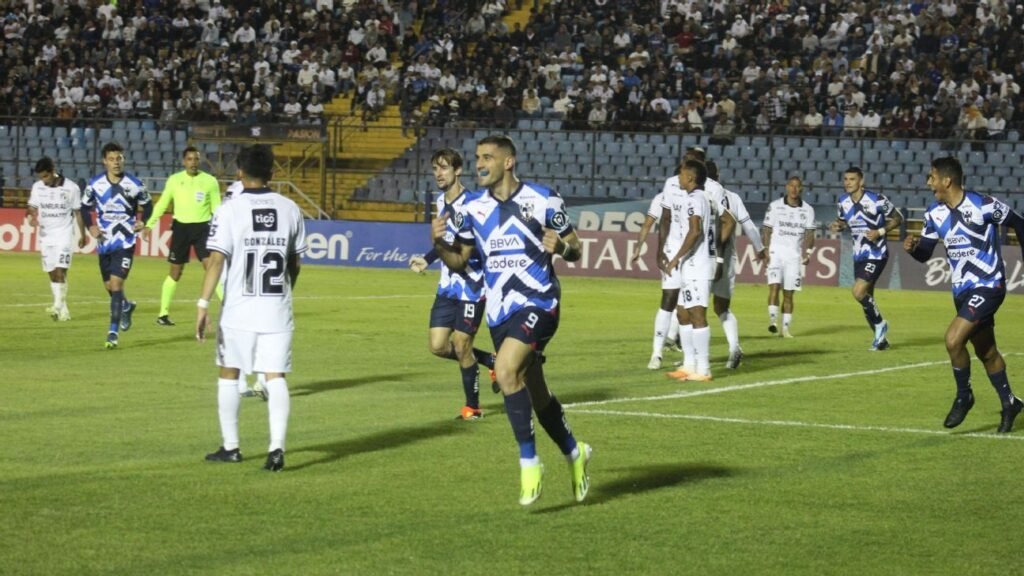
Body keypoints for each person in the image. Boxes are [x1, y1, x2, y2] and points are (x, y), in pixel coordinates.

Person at [430, 135, 592, 506]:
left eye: (487, 157)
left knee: (504, 372)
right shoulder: (471, 208)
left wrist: (562, 248)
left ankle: (529, 462)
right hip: (500, 313)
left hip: (540, 302)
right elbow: (461, 260)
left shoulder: (543, 199)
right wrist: (439, 244)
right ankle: (573, 451)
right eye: (476, 158)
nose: (479, 165)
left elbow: (576, 248)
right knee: (534, 390)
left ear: (508, 162)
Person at [196, 145, 307, 471]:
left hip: (239, 310)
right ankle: (276, 450)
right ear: (272, 172)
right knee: (275, 377)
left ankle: (231, 447)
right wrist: (285, 292)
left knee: (229, 372)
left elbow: (216, 260)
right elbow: (295, 262)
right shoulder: (290, 208)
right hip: (276, 308)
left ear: (239, 173)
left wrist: (202, 304)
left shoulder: (230, 209)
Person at [904, 157, 1024, 433]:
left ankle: (964, 396)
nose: (929, 182)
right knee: (987, 352)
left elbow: (1019, 222)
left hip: (989, 285)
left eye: (932, 176)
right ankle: (1010, 403)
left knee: (953, 339)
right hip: (961, 291)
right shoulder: (934, 213)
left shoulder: (983, 205)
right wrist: (913, 249)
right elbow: (925, 254)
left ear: (947, 180)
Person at [408, 149, 496, 419]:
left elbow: (467, 244)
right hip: (447, 286)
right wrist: (428, 259)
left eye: (444, 168)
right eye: (435, 168)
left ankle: (473, 407)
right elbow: (447, 242)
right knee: (437, 346)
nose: (439, 174)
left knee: (461, 344)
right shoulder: (439, 201)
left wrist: (432, 255)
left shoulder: (475, 203)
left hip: (472, 284)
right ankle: (490, 360)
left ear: (458, 171)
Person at [81, 142, 151, 349]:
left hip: (126, 240)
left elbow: (148, 205)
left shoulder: (135, 184)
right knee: (109, 287)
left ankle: (112, 332)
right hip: (104, 241)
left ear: (124, 159)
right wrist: (91, 227)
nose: (116, 162)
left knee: (117, 284)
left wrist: (143, 221)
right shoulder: (95, 184)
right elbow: (84, 208)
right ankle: (127, 306)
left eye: (119, 158)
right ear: (105, 161)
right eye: (111, 159)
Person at [144, 146, 222, 326]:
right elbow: (163, 203)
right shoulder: (174, 180)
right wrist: (149, 224)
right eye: (189, 159)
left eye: (196, 159)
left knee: (211, 267)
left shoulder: (210, 181)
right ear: (183, 161)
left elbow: (217, 209)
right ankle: (163, 314)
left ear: (199, 161)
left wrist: (220, 230)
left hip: (203, 228)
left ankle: (228, 309)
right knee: (175, 272)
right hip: (181, 229)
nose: (193, 163)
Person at [829, 167, 902, 351]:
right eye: (845, 179)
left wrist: (880, 231)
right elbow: (844, 221)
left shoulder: (877, 200)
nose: (847, 182)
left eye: (852, 179)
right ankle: (880, 340)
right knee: (868, 300)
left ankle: (880, 326)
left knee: (858, 292)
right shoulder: (842, 201)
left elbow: (898, 218)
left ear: (861, 182)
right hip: (858, 254)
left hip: (877, 253)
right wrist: (838, 226)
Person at [707, 161, 766, 367]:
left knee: (692, 306)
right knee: (721, 307)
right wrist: (760, 249)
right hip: (728, 257)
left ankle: (693, 357)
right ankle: (734, 348)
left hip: (705, 257)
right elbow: (749, 226)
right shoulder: (733, 197)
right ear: (719, 175)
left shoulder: (700, 193)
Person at [661, 159, 715, 382]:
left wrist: (676, 257)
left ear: (691, 178)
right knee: (682, 312)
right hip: (690, 265)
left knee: (697, 314)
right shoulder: (697, 198)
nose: (679, 178)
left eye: (682, 175)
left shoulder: (696, 199)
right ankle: (688, 364)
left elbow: (695, 232)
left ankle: (704, 368)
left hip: (697, 265)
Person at [27, 156, 86, 321]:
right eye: (41, 177)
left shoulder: (71, 188)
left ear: (53, 171)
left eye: (46, 176)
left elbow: (78, 212)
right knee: (52, 274)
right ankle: (64, 311)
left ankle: (57, 306)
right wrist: (31, 216)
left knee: (60, 271)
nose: (43, 180)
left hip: (64, 235)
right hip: (46, 236)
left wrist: (83, 234)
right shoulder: (38, 187)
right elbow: (32, 207)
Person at [762, 177, 816, 337]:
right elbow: (766, 229)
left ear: (801, 189)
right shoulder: (775, 206)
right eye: (791, 186)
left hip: (794, 256)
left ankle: (785, 329)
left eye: (797, 187)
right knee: (774, 287)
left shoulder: (808, 210)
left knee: (789, 293)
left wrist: (808, 253)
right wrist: (765, 249)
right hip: (775, 253)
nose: (794, 189)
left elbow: (810, 233)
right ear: (786, 187)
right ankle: (773, 323)